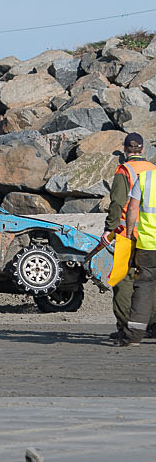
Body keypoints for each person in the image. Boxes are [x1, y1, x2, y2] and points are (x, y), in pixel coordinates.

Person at [103, 133, 156, 342]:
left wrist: (110, 228)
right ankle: (150, 324)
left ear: (125, 149)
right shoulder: (152, 170)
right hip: (150, 234)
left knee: (123, 279)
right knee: (150, 281)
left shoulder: (125, 171)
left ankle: (128, 326)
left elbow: (118, 203)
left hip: (129, 233)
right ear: (142, 150)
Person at [121, 165, 156, 347]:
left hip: (148, 245)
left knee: (144, 288)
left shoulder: (145, 179)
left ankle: (134, 335)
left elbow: (132, 209)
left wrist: (128, 234)